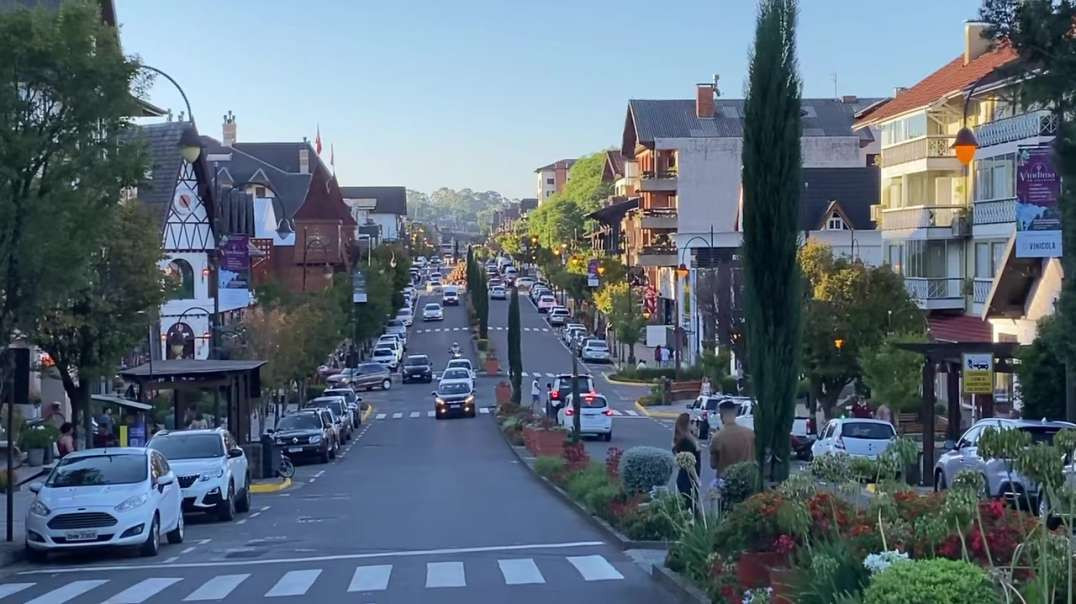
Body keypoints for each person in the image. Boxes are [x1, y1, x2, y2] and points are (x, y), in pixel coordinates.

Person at [709, 399, 755, 483]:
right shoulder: (750, 434)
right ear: (735, 413)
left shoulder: (717, 437)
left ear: (721, 415)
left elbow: (713, 465)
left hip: (726, 483)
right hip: (747, 481)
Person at [673, 413, 701, 510]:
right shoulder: (686, 442)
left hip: (688, 479)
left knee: (691, 507)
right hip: (688, 480)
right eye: (692, 422)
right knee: (690, 509)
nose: (695, 425)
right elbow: (688, 463)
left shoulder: (689, 439)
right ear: (686, 424)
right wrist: (697, 479)